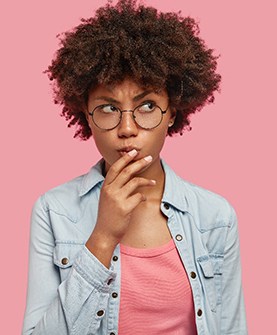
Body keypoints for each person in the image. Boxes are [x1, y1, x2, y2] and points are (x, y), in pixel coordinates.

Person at [22, 0, 247, 334]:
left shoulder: (215, 218)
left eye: (147, 105)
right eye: (109, 108)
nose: (127, 128)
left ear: (172, 112)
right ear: (87, 115)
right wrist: (102, 237)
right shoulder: (54, 211)